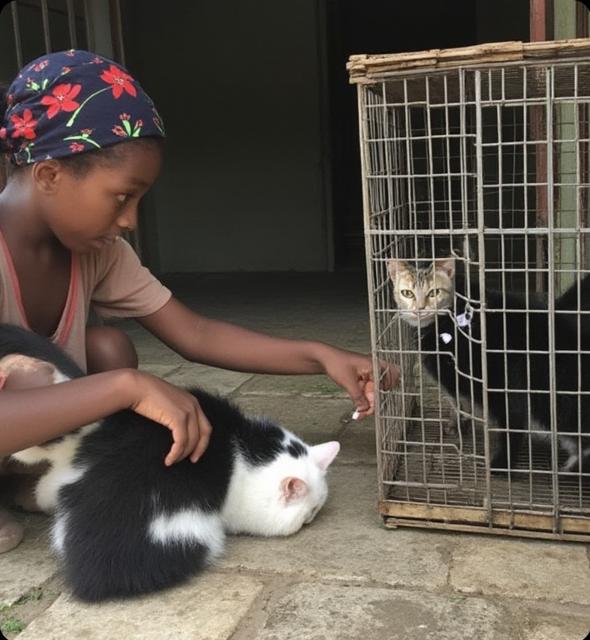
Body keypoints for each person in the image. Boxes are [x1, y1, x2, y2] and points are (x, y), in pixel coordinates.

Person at [0, 50, 399, 553]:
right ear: (50, 176)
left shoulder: (99, 252)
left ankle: (27, 481)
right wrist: (128, 388)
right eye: (122, 197)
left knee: (109, 348)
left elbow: (196, 333)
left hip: (30, 436)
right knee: (60, 374)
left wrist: (320, 356)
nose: (130, 220)